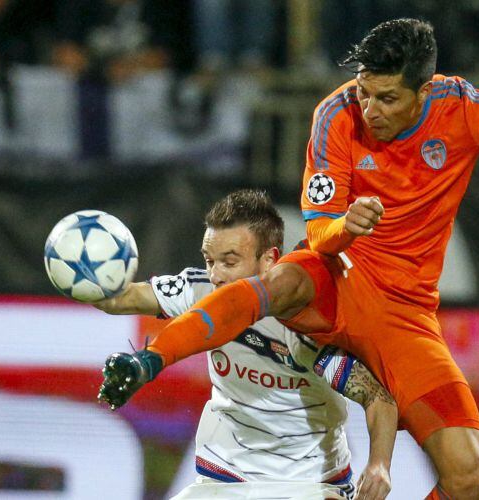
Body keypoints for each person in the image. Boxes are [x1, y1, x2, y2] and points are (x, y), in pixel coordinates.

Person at [101, 19, 479, 499]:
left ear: (423, 89)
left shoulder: (465, 109)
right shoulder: (334, 115)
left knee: (473, 475)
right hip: (336, 275)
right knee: (280, 279)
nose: (371, 109)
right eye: (365, 92)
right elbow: (319, 230)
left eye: (387, 98)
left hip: (404, 316)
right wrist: (344, 227)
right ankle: (149, 361)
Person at [97, 190, 395, 500]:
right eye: (209, 260)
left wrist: (379, 466)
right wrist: (83, 277)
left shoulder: (304, 323)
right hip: (225, 478)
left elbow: (377, 397)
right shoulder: (201, 292)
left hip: (309, 485)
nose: (215, 276)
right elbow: (120, 298)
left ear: (269, 261)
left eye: (229, 262)